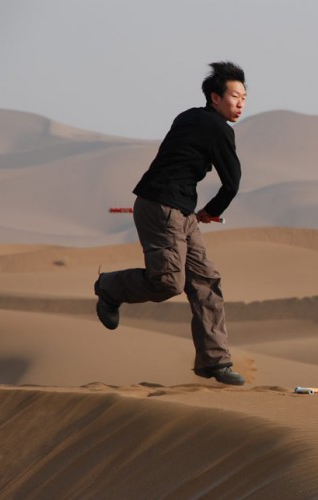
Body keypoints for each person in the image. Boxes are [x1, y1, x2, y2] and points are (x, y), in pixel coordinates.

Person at [94, 61, 247, 386]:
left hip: (176, 209)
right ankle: (108, 288)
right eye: (235, 96)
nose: (241, 103)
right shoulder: (218, 128)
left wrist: (198, 213)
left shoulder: (188, 116)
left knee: (206, 281)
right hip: (163, 208)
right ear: (214, 97)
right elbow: (232, 183)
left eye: (244, 98)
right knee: (168, 282)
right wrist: (212, 210)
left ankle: (214, 362)